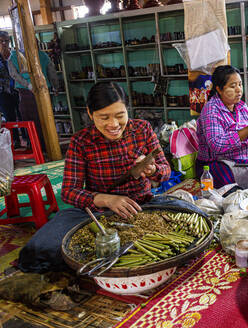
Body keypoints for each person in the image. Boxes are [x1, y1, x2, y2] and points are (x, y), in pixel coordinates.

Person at [18, 82, 172, 273]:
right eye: (104, 117)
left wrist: (152, 170)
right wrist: (106, 199)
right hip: (94, 214)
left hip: (142, 206)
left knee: (193, 218)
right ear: (90, 114)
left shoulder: (143, 129)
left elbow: (166, 171)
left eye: (119, 115)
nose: (114, 125)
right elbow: (68, 192)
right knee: (35, 253)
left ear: (127, 109)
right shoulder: (81, 141)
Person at [196, 65, 248, 188]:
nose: (239, 90)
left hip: (243, 160)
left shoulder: (242, 107)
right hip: (216, 163)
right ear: (219, 89)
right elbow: (217, 145)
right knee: (230, 185)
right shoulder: (211, 109)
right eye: (233, 86)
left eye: (240, 84)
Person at [8, 42, 60, 151]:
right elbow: (52, 73)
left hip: (26, 92)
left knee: (30, 121)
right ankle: (49, 145)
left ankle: (35, 146)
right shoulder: (42, 55)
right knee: (46, 118)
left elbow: (14, 75)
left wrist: (27, 85)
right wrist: (55, 87)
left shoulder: (13, 57)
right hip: (43, 90)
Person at [0, 31, 22, 147]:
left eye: (6, 41)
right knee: (9, 117)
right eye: (1, 41)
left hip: (18, 90)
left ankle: (27, 139)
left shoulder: (15, 56)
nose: (4, 43)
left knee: (22, 115)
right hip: (3, 92)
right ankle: (15, 141)